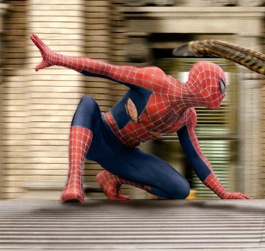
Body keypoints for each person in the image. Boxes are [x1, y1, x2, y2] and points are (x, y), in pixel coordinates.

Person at [31, 34, 250, 204]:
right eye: (220, 86)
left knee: (179, 190)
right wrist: (58, 59)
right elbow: (106, 70)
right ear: (204, 82)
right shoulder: (155, 81)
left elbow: (196, 156)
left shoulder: (187, 117)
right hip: (99, 135)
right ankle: (73, 181)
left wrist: (224, 193)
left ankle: (112, 178)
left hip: (124, 154)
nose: (222, 93)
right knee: (88, 103)